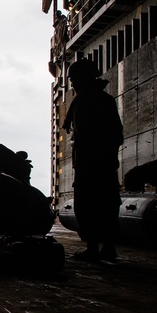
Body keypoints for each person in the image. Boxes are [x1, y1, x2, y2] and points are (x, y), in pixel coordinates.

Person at [62, 60, 123, 261]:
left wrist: (92, 156)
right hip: (103, 164)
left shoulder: (86, 102)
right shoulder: (103, 100)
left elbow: (93, 135)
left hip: (91, 164)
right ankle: (107, 247)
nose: (73, 84)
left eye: (73, 79)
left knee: (89, 206)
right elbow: (116, 135)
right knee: (107, 205)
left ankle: (94, 248)